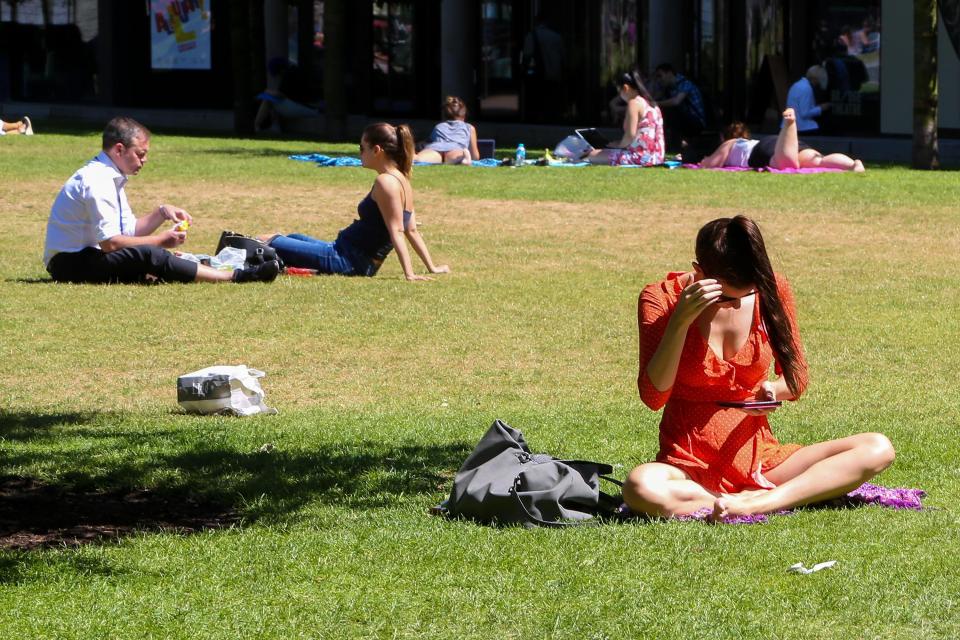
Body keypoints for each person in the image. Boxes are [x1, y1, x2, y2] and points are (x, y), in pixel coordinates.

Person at [625, 216, 895, 521]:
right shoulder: (661, 299)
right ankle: (732, 500)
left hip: (761, 457)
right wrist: (680, 321)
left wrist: (773, 390)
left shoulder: (771, 290)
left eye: (747, 294)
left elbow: (796, 379)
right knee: (639, 486)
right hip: (688, 465)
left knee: (878, 447)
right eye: (726, 297)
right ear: (699, 271)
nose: (735, 305)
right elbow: (653, 396)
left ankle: (757, 504)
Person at [43, 116, 279, 284]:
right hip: (70, 264)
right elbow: (111, 244)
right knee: (149, 254)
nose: (144, 161)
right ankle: (236, 276)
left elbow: (129, 231)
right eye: (140, 154)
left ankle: (213, 271)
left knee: (150, 254)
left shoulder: (110, 176)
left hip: (88, 256)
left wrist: (162, 213)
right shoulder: (97, 180)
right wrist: (160, 240)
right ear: (118, 150)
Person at [259, 123, 450, 282]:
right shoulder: (402, 180)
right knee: (294, 237)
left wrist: (410, 274)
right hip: (346, 254)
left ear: (377, 150)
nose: (360, 153)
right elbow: (412, 230)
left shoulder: (386, 182)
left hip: (346, 260)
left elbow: (398, 231)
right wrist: (431, 267)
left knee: (269, 240)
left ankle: (239, 258)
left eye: (362, 148)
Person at [700, 108, 864, 172]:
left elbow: (712, 164)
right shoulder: (746, 141)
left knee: (787, 165)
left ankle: (789, 125)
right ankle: (854, 164)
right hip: (777, 143)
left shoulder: (730, 143)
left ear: (724, 137)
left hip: (763, 151)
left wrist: (704, 160)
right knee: (819, 161)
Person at [588, 70, 664, 167]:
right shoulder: (653, 105)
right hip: (657, 157)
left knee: (590, 155)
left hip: (640, 158)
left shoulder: (634, 103)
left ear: (625, 88)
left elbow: (630, 135)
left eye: (619, 91)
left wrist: (619, 146)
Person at [414, 96, 480, 165]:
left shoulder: (439, 126)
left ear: (445, 115)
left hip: (435, 149)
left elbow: (428, 143)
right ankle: (463, 159)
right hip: (455, 150)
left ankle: (413, 157)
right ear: (464, 114)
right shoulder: (469, 127)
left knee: (418, 159)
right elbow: (475, 156)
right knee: (460, 157)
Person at [653, 63, 706, 146]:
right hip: (684, 121)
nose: (659, 80)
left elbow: (676, 101)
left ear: (669, 73)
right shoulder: (667, 88)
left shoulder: (686, 83)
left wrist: (656, 103)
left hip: (696, 121)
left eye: (660, 76)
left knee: (671, 111)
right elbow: (656, 97)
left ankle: (674, 144)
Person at [784, 65, 829, 133]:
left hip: (793, 125)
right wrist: (821, 108)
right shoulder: (806, 88)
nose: (819, 83)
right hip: (802, 127)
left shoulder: (797, 85)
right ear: (816, 79)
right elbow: (804, 113)